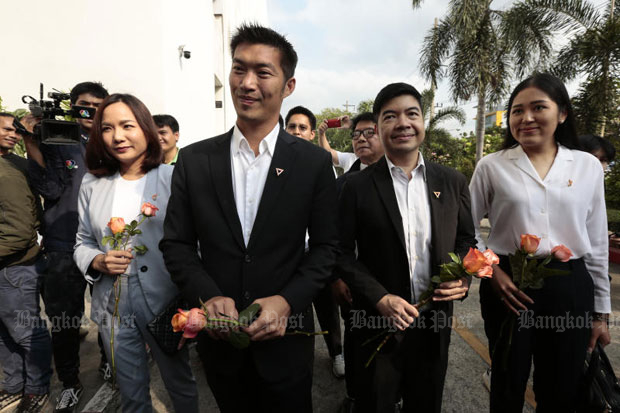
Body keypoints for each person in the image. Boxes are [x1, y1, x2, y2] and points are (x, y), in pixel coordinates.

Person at [160, 23, 338, 412]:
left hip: (286, 342)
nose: (246, 82)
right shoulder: (196, 160)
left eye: (263, 72)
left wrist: (287, 301)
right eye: (239, 69)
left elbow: (327, 247)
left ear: (288, 85)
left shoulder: (313, 163)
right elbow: (176, 243)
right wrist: (206, 295)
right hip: (220, 344)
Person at [469, 73, 611, 412]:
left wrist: (601, 312)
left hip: (570, 286)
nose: (526, 118)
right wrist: (492, 273)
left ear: (562, 113)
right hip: (509, 288)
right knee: (507, 380)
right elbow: (467, 229)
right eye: (517, 111)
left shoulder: (587, 166)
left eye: (538, 108)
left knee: (562, 386)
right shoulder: (492, 166)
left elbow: (596, 241)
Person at [337, 82, 476, 413]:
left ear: (423, 121)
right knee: (375, 403)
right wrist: (379, 298)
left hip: (434, 323)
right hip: (375, 322)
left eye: (411, 113)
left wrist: (463, 280)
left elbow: (467, 240)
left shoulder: (451, 181)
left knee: (426, 403)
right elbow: (339, 252)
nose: (403, 123)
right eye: (390, 116)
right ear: (379, 127)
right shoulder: (355, 186)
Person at [73, 94, 198, 413]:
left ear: (145, 129)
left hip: (165, 300)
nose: (117, 136)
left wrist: (193, 302)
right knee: (130, 391)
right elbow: (82, 241)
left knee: (179, 384)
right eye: (107, 128)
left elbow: (194, 243)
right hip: (112, 303)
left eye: (127, 125)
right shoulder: (92, 182)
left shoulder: (173, 178)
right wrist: (97, 260)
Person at [22, 81, 108, 413]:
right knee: (65, 321)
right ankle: (70, 382)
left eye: (99, 106)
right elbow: (51, 188)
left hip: (103, 246)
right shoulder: (58, 140)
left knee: (109, 315)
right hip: (62, 247)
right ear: (72, 107)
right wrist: (32, 143)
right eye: (85, 105)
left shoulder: (110, 143)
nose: (92, 112)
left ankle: (107, 362)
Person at [0, 156, 53, 413]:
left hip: (14, 267)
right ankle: (14, 386)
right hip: (7, 266)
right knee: (4, 333)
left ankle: (37, 388)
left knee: (26, 332)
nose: (11, 133)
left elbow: (18, 233)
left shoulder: (7, 173)